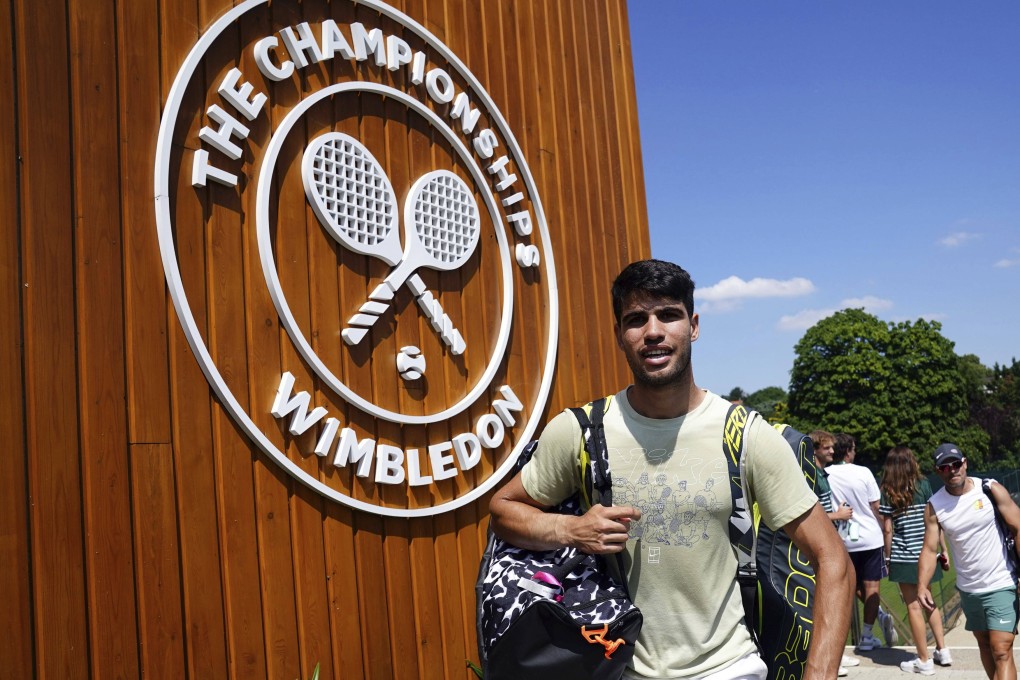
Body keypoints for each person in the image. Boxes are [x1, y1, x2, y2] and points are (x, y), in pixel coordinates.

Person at [489, 259, 854, 680]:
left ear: (693, 325)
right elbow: (503, 510)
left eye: (668, 315)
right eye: (636, 319)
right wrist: (569, 531)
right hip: (617, 667)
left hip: (728, 668)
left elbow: (832, 560)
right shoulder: (581, 432)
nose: (653, 331)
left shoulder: (745, 435)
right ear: (619, 335)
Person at [919, 443, 1020, 680]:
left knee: (1001, 649)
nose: (952, 470)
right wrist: (923, 585)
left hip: (1001, 582)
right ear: (938, 471)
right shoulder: (935, 506)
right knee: (985, 646)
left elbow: (1017, 527)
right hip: (969, 589)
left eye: (955, 464)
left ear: (964, 463)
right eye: (945, 467)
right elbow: (929, 548)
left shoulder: (989, 489)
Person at [879, 445, 952, 675]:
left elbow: (888, 530)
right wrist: (944, 549)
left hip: (903, 554)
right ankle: (942, 650)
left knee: (913, 606)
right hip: (926, 554)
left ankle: (923, 660)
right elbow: (934, 520)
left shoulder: (887, 490)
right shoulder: (924, 485)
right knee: (929, 602)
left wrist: (888, 557)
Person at [827, 433, 898, 650]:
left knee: (849, 587)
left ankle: (871, 621)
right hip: (870, 538)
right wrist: (888, 533)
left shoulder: (825, 474)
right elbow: (876, 507)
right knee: (872, 587)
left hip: (841, 538)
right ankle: (867, 635)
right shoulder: (863, 472)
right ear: (848, 451)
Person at [810, 430, 859, 675]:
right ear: (816, 449)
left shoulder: (823, 473)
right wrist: (837, 516)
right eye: (827, 448)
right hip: (819, 549)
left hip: (831, 540)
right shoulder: (809, 474)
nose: (832, 451)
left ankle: (836, 654)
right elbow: (809, 518)